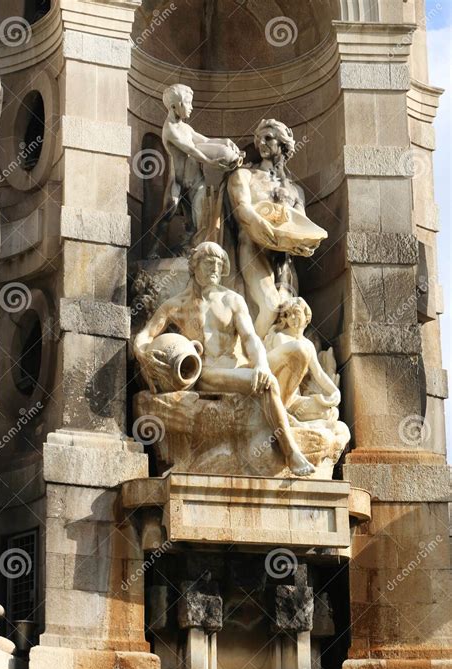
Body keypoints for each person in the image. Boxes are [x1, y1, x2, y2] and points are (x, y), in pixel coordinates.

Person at [134, 242, 315, 477]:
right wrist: (143, 354)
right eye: (209, 263)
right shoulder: (177, 305)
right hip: (209, 372)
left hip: (239, 365)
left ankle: (275, 415)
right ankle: (291, 451)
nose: (215, 270)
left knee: (299, 351)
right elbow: (145, 335)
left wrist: (260, 363)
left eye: (219, 265)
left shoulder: (233, 300)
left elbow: (251, 339)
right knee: (268, 384)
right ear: (194, 266)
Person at [227, 118, 326, 339]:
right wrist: (259, 222)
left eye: (268, 138)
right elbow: (242, 209)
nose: (261, 143)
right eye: (258, 139)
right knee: (271, 306)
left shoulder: (295, 191)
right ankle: (251, 361)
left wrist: (305, 243)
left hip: (284, 260)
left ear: (283, 144)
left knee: (286, 313)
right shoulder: (243, 176)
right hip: (252, 248)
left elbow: (302, 227)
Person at [149, 84, 241, 254]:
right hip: (177, 182)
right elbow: (191, 150)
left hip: (196, 181)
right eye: (188, 103)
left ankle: (193, 251)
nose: (192, 107)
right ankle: (152, 251)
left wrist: (224, 141)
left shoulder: (185, 127)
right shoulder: (170, 130)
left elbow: (204, 141)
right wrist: (210, 162)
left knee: (200, 220)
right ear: (175, 106)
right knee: (168, 213)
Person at [265, 297, 341, 421]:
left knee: (331, 413)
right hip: (279, 397)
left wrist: (335, 392)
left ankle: (291, 419)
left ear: (306, 316)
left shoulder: (308, 345)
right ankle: (283, 416)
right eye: (288, 315)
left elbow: (319, 374)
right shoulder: (281, 338)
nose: (292, 318)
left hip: (295, 401)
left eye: (296, 313)